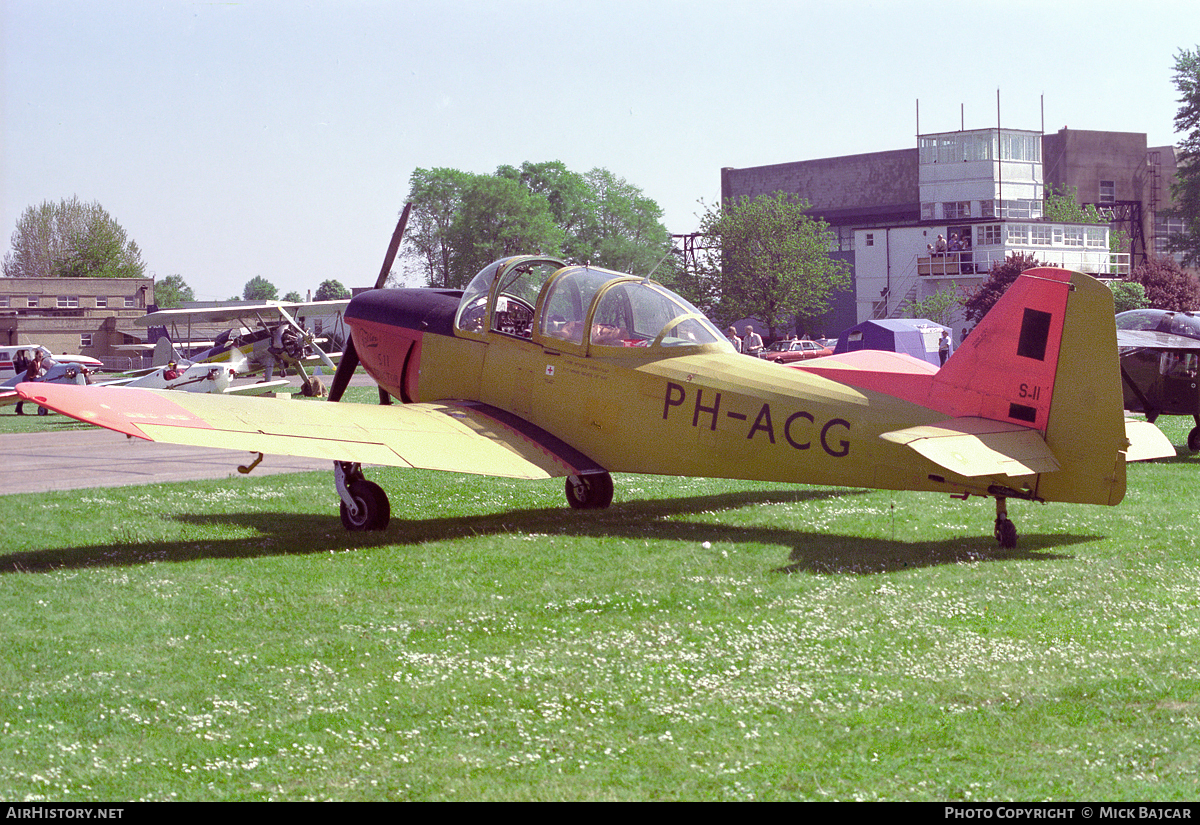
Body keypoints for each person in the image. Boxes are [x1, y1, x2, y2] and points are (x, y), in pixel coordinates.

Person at [15, 350, 44, 415]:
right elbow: (37, 371)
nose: (40, 358)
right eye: (39, 356)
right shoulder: (34, 362)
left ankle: (18, 410)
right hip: (27, 379)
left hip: (32, 379)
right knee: (24, 394)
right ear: (36, 355)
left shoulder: (40, 362)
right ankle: (18, 410)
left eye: (41, 356)